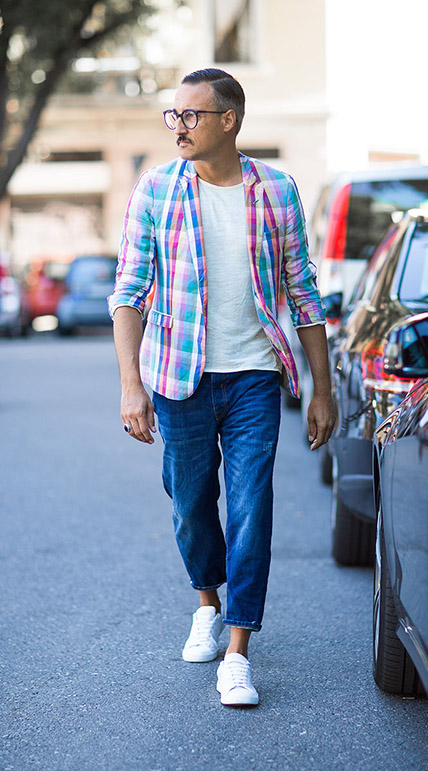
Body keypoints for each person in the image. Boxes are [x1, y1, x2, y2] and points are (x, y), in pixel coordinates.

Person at [108, 68, 335, 707]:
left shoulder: (277, 190)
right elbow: (129, 290)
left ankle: (238, 649)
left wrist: (323, 387)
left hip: (255, 376)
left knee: (251, 505)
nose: (178, 126)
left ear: (228, 121)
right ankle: (206, 601)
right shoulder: (156, 189)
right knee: (189, 504)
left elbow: (302, 291)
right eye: (172, 116)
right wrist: (132, 385)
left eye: (191, 115)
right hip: (178, 375)